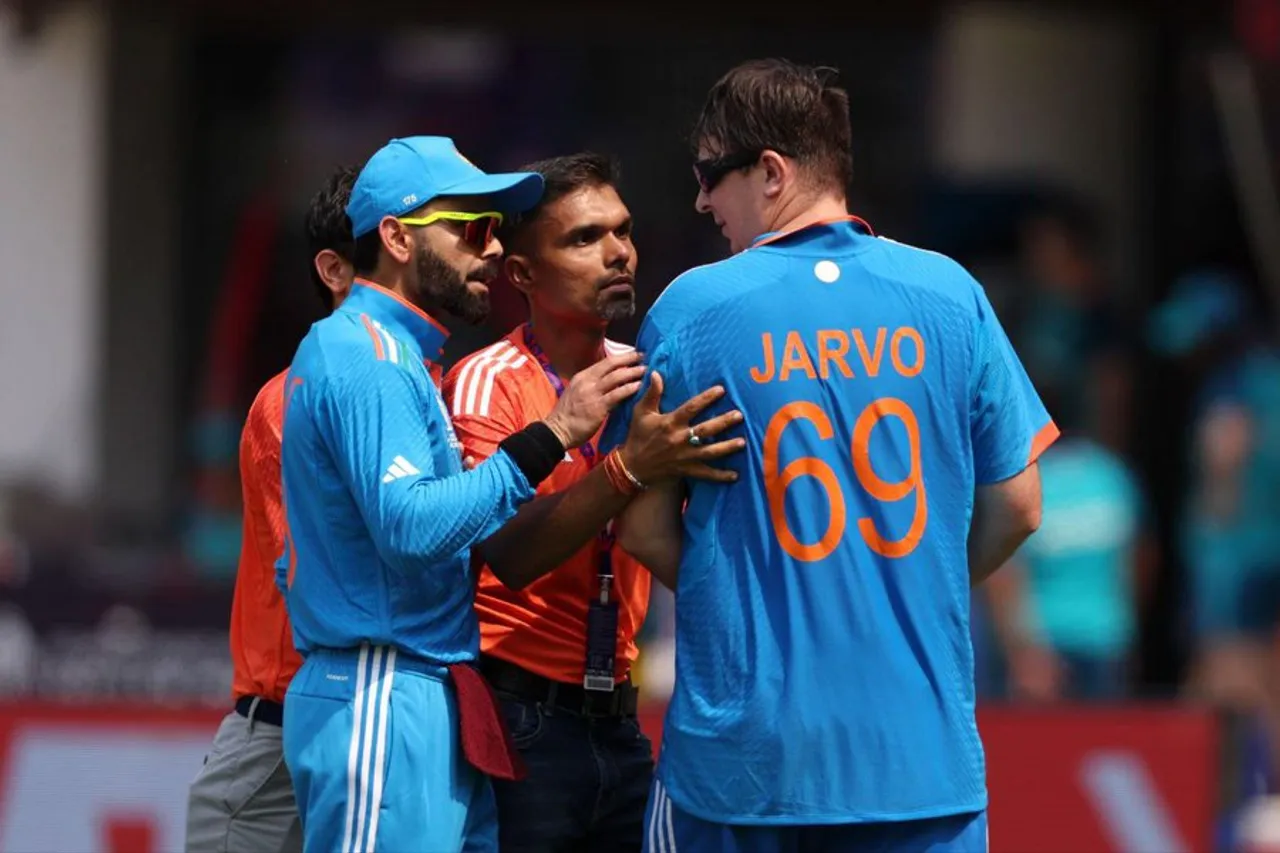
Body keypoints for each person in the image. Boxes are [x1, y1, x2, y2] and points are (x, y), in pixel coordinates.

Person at [603, 59, 1055, 852]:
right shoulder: (951, 294)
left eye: (712, 174)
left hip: (746, 769)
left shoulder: (697, 308)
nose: (702, 199)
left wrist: (749, 585)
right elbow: (1019, 505)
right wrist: (901, 583)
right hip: (922, 765)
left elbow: (639, 528)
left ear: (772, 173)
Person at [277, 136, 649, 853]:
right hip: (379, 683)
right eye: (471, 228)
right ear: (396, 236)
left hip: (421, 684)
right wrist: (552, 434)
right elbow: (411, 529)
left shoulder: (401, 355)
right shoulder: (367, 353)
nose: (488, 250)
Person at [443, 151, 744, 853]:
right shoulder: (488, 381)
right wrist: (629, 468)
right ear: (521, 274)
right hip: (519, 717)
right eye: (584, 238)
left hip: (622, 718)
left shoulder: (654, 375)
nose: (617, 253)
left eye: (623, 231)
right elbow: (508, 553)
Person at [186, 165, 359, 853]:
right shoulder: (294, 400)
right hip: (281, 742)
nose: (481, 251)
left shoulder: (440, 395)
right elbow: (321, 579)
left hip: (373, 731)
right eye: (406, 240)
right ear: (336, 270)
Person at [1149, 269, 1280, 777]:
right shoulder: (1269, 375)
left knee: (1226, 675)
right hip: (1262, 546)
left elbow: (1223, 460)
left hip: (1235, 554)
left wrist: (1210, 530)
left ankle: (1212, 799)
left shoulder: (1229, 389)